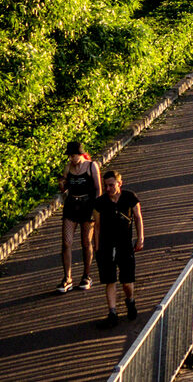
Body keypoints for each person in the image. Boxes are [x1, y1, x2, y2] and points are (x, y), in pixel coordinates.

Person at [92, 168, 144, 329]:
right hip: (107, 245)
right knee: (110, 280)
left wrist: (140, 237)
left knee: (127, 281)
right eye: (106, 186)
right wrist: (98, 248)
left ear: (119, 184)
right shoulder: (100, 203)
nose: (108, 189)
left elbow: (137, 217)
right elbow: (97, 226)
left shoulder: (130, 197)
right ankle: (112, 312)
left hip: (125, 244)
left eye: (111, 185)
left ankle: (130, 300)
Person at [59, 139, 101, 292]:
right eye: (70, 156)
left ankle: (86, 275)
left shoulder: (91, 166)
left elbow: (98, 189)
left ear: (80, 154)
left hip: (87, 205)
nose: (71, 159)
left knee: (86, 242)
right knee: (67, 242)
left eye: (73, 156)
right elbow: (64, 189)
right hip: (71, 205)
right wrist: (62, 183)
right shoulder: (68, 168)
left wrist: (96, 209)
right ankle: (67, 277)